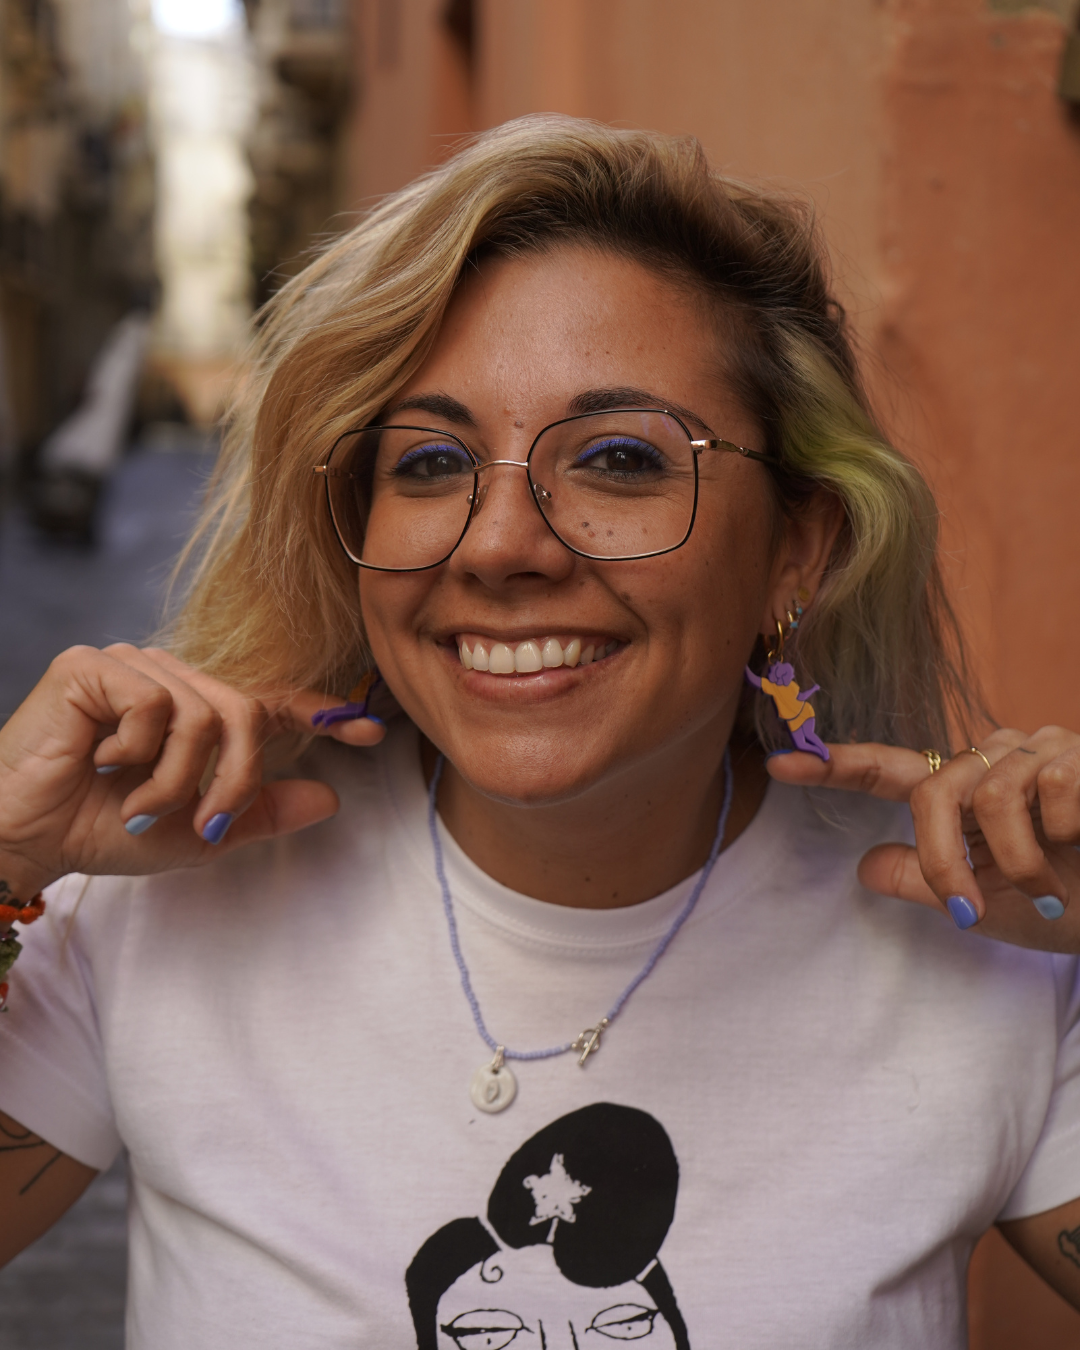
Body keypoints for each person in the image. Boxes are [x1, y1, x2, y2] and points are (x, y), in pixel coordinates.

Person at [1, 116, 1080, 1348]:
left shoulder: (982, 947)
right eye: (428, 462)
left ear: (799, 544)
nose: (501, 545)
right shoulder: (158, 901)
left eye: (618, 459)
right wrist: (5, 852)